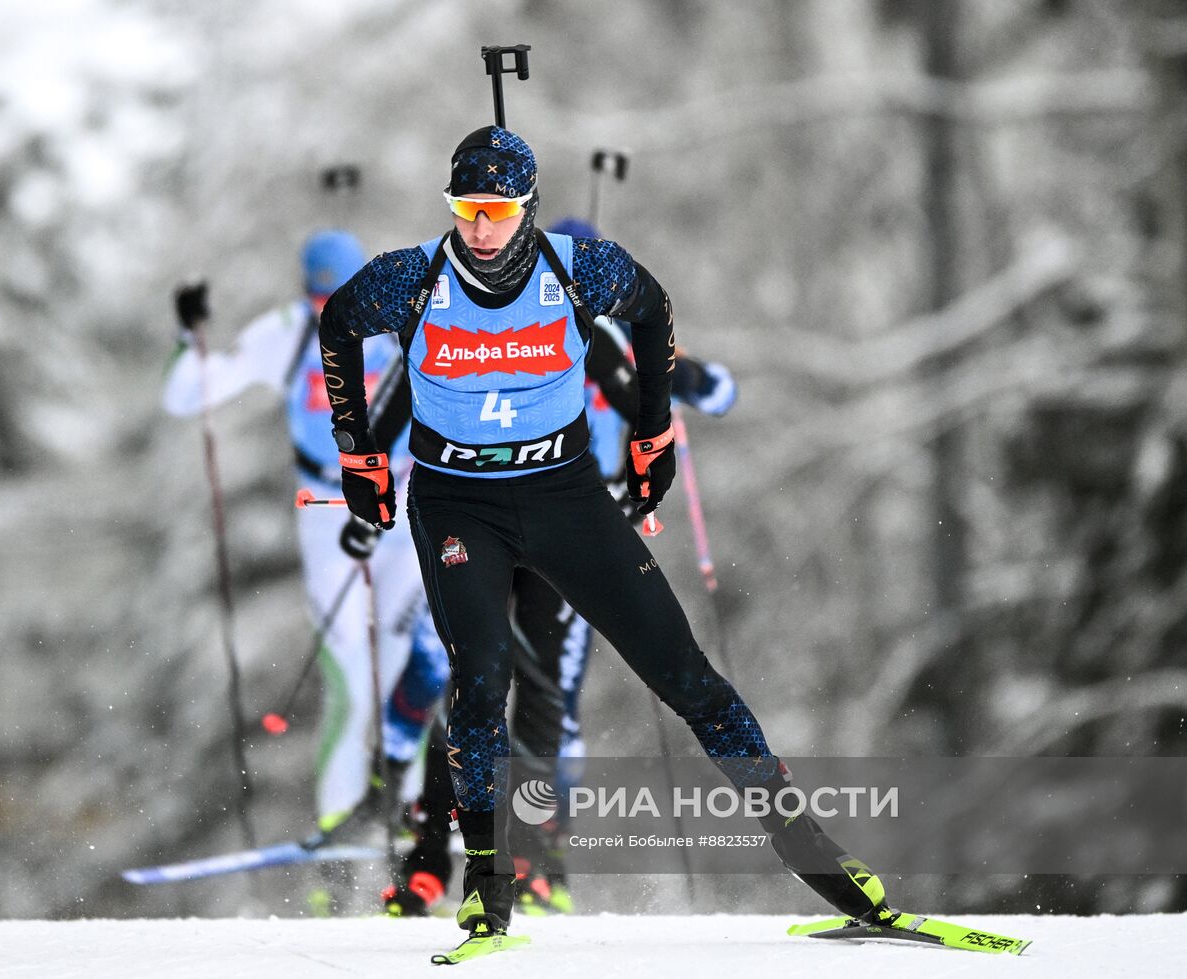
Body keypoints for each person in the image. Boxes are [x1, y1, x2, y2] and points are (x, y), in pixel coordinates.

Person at [318, 127, 891, 947]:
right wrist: (359, 453)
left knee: (685, 672)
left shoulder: (574, 268)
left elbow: (654, 310)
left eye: (498, 210)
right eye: (467, 210)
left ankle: (818, 857)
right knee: (480, 681)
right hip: (459, 504)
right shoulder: (414, 277)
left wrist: (652, 436)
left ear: (528, 207)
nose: (481, 228)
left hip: (565, 495)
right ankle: (486, 880)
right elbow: (338, 324)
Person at [379, 214, 741, 919]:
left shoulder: (577, 322)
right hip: (526, 517)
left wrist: (677, 385)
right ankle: (486, 852)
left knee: (503, 688)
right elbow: (695, 390)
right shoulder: (538, 323)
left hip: (559, 521)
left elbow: (686, 387)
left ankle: (452, 850)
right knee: (519, 691)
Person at [162, 230, 449, 875]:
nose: (331, 312)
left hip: (404, 506)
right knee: (349, 677)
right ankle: (340, 848)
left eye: (341, 296)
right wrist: (192, 339)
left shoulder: (405, 319)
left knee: (408, 663)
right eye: (320, 297)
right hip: (326, 510)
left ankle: (409, 826)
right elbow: (186, 395)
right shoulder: (288, 331)